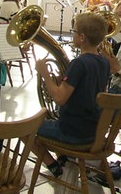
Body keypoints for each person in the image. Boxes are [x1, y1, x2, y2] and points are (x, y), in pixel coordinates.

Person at [33, 12, 110, 177]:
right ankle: (62, 158)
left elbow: (60, 99)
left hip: (72, 131)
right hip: (93, 128)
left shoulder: (79, 63)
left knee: (25, 128)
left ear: (81, 37)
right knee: (45, 117)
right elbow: (90, 87)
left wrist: (45, 74)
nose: (72, 34)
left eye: (73, 31)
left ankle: (51, 163)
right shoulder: (103, 61)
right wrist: (64, 80)